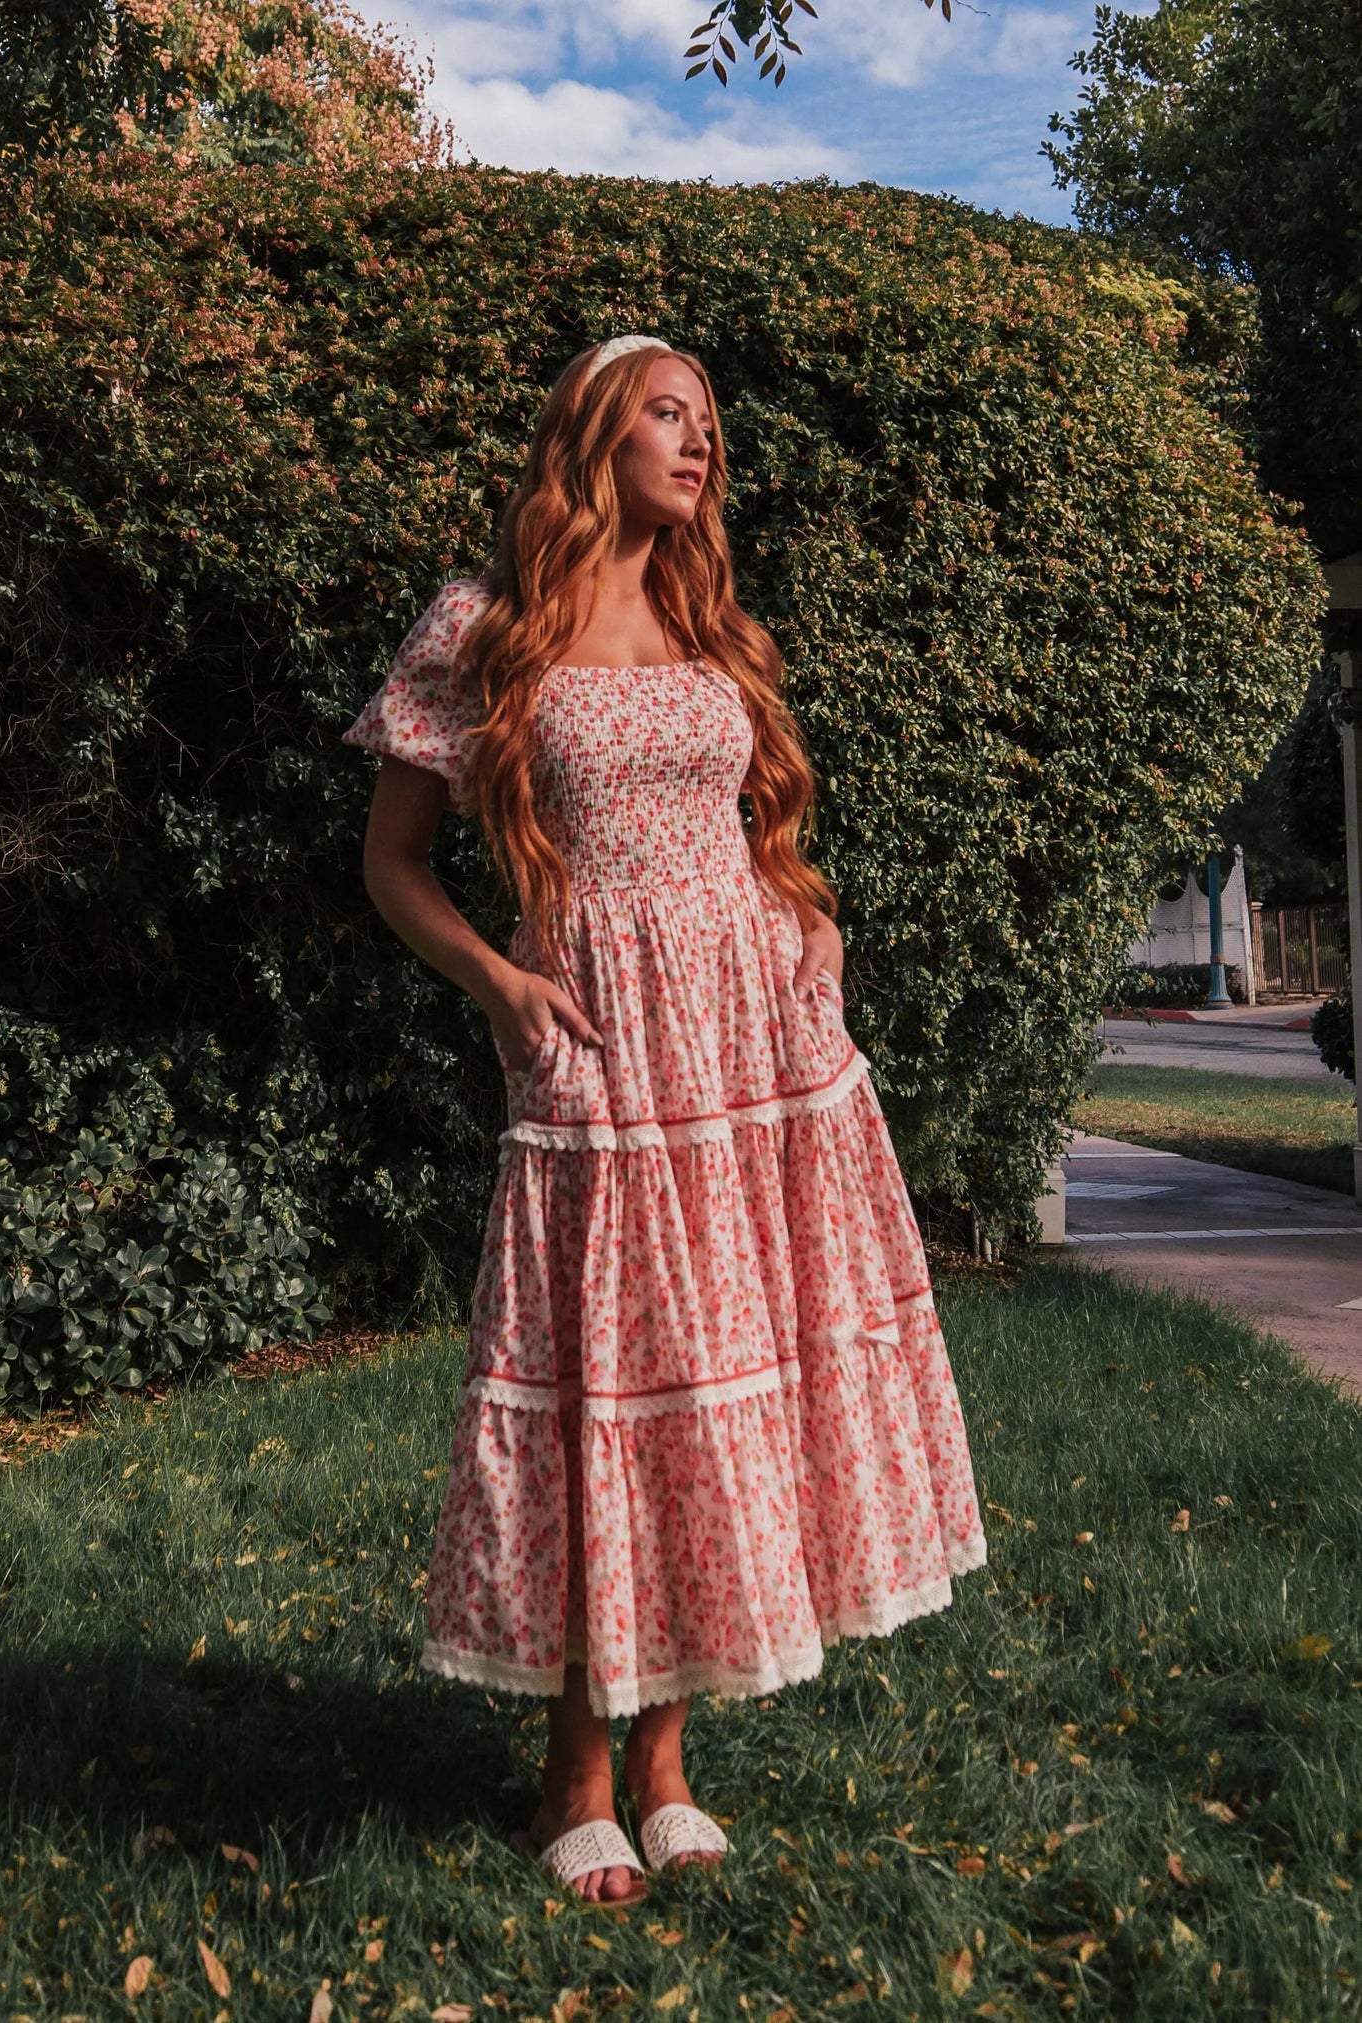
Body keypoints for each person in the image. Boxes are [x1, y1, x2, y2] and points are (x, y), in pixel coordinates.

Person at [344, 334, 987, 1907]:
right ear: (592, 433)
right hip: (601, 1050)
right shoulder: (481, 631)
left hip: (757, 1049)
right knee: (606, 1387)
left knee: (727, 1378)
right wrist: (497, 984)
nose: (698, 444)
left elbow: (763, 833)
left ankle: (668, 1763)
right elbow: (392, 865)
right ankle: (572, 1771)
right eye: (667, 415)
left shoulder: (715, 629)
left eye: (708, 423)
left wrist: (810, 923)